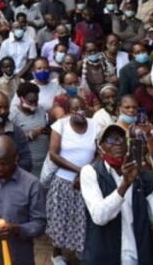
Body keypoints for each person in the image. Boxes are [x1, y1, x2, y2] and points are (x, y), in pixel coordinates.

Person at [80, 124, 153, 265]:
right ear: (100, 149)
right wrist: (124, 185)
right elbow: (99, 216)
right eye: (110, 140)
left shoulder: (143, 176)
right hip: (104, 255)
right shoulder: (91, 172)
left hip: (136, 255)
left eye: (121, 139)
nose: (117, 142)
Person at [0, 135, 46, 265]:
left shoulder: (32, 185)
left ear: (16, 157)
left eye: (4, 163)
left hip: (18, 258)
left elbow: (39, 224)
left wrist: (16, 229)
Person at [46, 96, 99, 263]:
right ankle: (56, 254)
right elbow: (53, 155)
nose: (79, 112)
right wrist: (79, 171)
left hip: (87, 183)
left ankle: (80, 250)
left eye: (82, 108)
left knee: (83, 218)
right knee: (60, 219)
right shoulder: (60, 125)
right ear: (68, 111)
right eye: (74, 109)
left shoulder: (95, 126)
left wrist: (85, 174)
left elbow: (100, 154)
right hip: (63, 181)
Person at [9, 82, 50, 177]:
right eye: (30, 102)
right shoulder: (13, 115)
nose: (34, 105)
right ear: (21, 99)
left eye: (36, 101)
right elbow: (8, 140)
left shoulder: (41, 110)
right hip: (26, 164)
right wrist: (30, 135)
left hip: (43, 162)